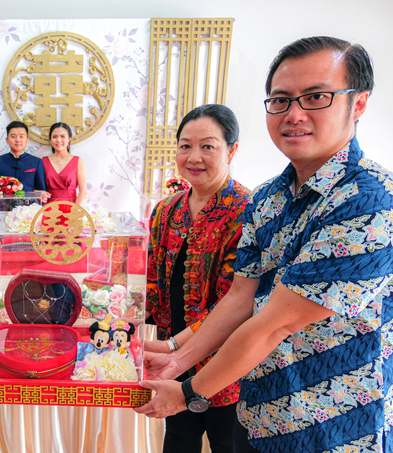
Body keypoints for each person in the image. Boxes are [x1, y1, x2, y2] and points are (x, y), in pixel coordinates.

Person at [135, 37, 388, 453]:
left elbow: (278, 322)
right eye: (281, 100)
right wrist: (177, 358)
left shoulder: (370, 202)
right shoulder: (270, 197)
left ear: (357, 104)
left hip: (334, 428)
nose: (294, 114)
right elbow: (240, 298)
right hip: (259, 416)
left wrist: (188, 391)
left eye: (316, 97)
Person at [146, 104, 250, 453]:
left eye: (208, 146)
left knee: (228, 443)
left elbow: (235, 300)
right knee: (178, 441)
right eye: (185, 145)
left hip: (228, 363)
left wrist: (178, 347)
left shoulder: (248, 211)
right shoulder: (166, 209)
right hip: (170, 361)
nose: (194, 156)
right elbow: (152, 283)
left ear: (232, 150)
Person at [0, 120, 50, 201]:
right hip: (4, 208)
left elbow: (41, 193)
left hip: (29, 209)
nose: (18, 140)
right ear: (7, 140)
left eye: (21, 136)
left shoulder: (36, 162)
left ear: (27, 140)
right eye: (13, 136)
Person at [42, 122, 87, 203]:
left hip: (71, 207)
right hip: (49, 208)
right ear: (50, 139)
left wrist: (74, 211)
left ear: (69, 138)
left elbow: (83, 192)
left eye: (63, 136)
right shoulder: (43, 161)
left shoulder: (78, 161)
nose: (58, 140)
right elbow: (36, 187)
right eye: (55, 137)